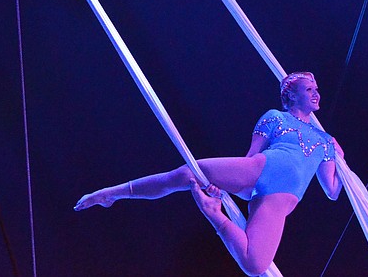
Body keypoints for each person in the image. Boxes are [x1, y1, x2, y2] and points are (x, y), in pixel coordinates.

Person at [74, 72, 343, 276]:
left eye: (316, 89)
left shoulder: (326, 141)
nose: (316, 93)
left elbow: (332, 191)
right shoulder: (276, 117)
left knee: (255, 265)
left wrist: (342, 163)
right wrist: (228, 183)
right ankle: (112, 193)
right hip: (258, 169)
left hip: (280, 199)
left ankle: (214, 214)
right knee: (187, 174)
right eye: (309, 89)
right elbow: (250, 155)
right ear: (292, 95)